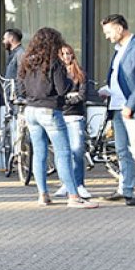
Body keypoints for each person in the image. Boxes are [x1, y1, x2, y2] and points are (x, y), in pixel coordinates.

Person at [20, 28, 97, 208]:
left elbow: (21, 89)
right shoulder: (54, 62)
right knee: (63, 153)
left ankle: (43, 195)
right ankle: (73, 196)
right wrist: (70, 81)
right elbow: (62, 89)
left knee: (39, 153)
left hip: (30, 110)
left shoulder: (26, 61)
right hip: (49, 110)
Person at [99, 14, 135, 206]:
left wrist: (130, 105)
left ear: (119, 28)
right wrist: (108, 90)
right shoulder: (118, 50)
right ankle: (125, 189)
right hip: (116, 107)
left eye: (108, 32)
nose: (107, 36)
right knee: (121, 150)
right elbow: (120, 78)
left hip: (131, 108)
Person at [53, 43, 92, 199]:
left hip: (75, 116)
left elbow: (82, 96)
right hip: (60, 116)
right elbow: (56, 95)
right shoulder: (57, 73)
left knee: (77, 150)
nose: (66, 57)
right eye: (63, 54)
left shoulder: (79, 73)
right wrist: (69, 97)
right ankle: (66, 184)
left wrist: (66, 99)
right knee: (62, 152)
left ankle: (79, 184)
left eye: (69, 53)